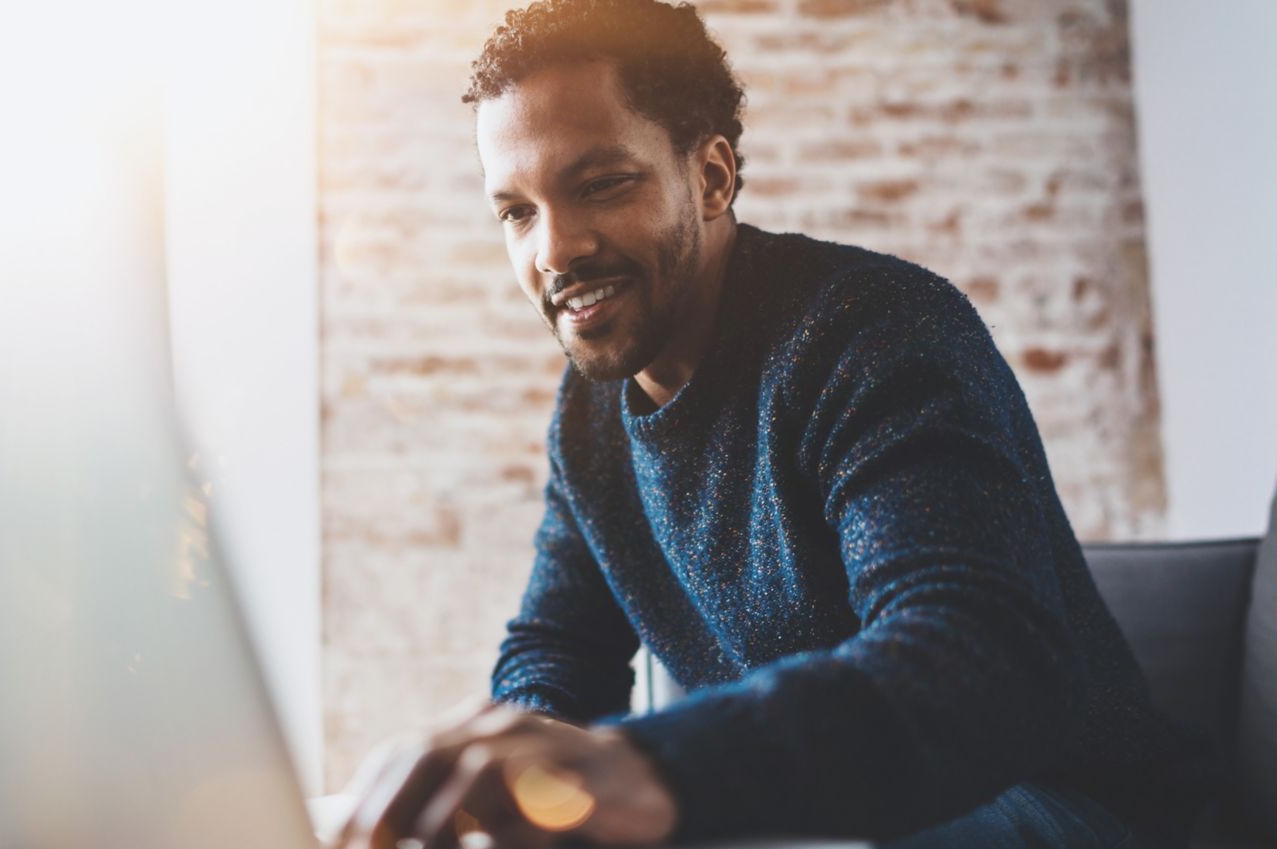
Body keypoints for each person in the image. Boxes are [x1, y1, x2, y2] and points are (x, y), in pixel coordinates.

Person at [331, 1, 1217, 848]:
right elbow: (557, 646)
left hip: (1057, 804)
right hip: (819, 812)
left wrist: (647, 766)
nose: (553, 250)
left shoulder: (874, 333)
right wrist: (524, 774)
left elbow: (973, 660)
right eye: (516, 212)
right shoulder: (591, 414)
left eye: (600, 184)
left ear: (710, 176)